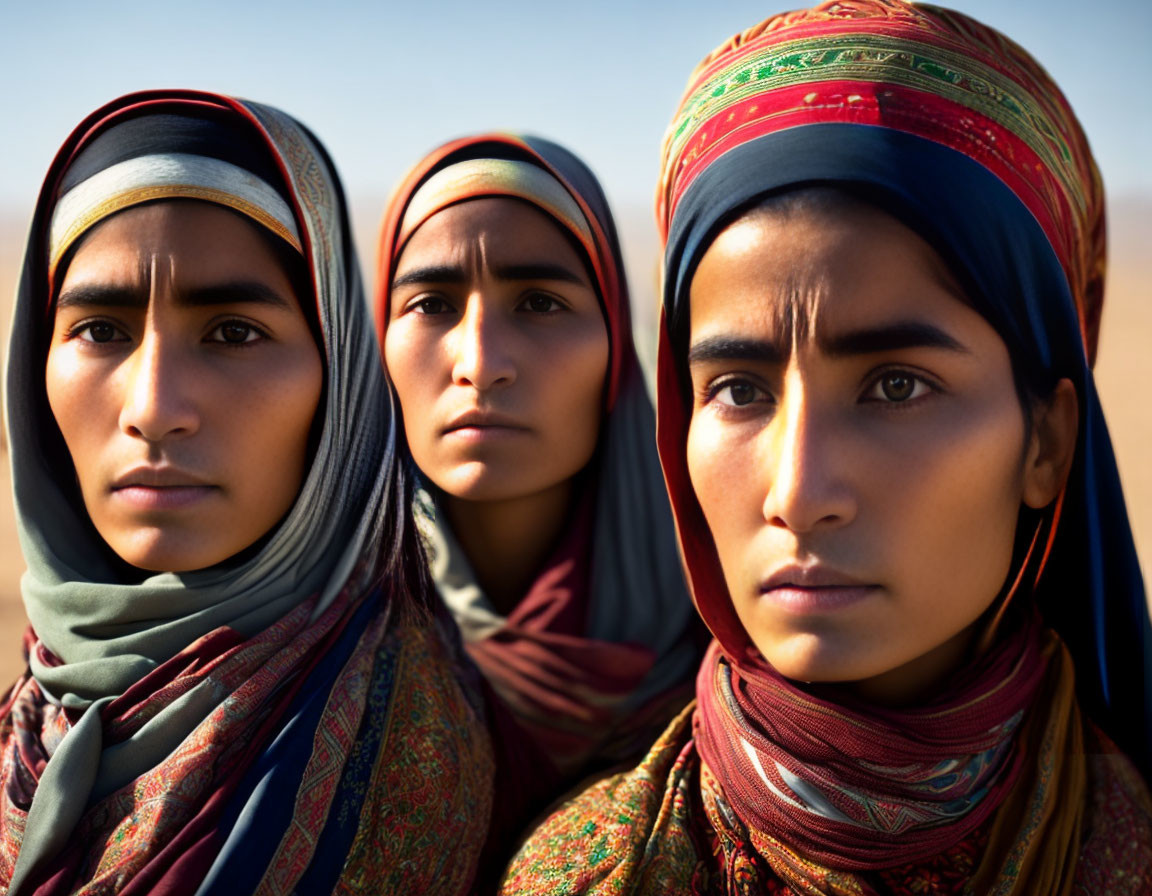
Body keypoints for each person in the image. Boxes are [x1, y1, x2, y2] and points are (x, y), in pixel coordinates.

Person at [499, 2, 1152, 892]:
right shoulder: (599, 873)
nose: (799, 493)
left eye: (896, 386)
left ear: (1047, 441)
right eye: (738, 391)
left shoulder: (1127, 844)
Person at [0, 90, 492, 895]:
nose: (154, 409)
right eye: (100, 331)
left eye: (233, 332)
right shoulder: (38, 698)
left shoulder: (403, 757)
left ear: (337, 385)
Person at [377, 135, 700, 831]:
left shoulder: (733, 622)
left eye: (540, 303)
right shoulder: (328, 643)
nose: (481, 362)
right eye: (431, 304)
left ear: (617, 344)